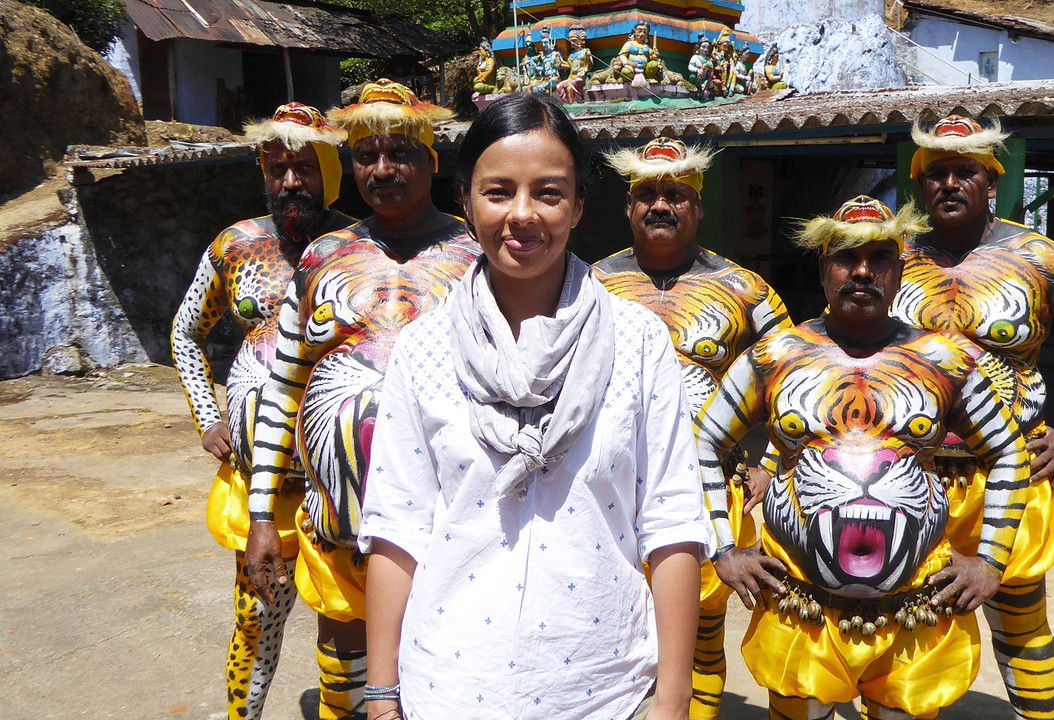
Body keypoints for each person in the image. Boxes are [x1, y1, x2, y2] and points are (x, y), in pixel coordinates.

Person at [357, 93, 707, 720]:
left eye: (548, 193)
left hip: (604, 689)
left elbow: (673, 522)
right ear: (465, 200)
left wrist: (673, 701)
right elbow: (396, 527)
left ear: (577, 206)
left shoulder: (637, 342)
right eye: (498, 192)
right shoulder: (424, 348)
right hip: (448, 686)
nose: (522, 215)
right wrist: (382, 698)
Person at [700, 196, 1031, 719]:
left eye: (879, 257)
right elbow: (703, 445)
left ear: (900, 269)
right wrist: (723, 548)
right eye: (845, 256)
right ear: (823, 267)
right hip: (799, 608)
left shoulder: (946, 359)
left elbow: (1009, 453)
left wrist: (990, 559)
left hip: (915, 613)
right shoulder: (772, 357)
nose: (862, 270)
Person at [895, 114, 1054, 719]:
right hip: (912, 473)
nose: (950, 184)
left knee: (1020, 612)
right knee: (904, 616)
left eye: (966, 172)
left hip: (1008, 472)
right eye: (937, 174)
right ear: (920, 185)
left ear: (991, 181)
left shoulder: (1038, 256)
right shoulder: (891, 258)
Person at [244, 79, 481, 720]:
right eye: (367, 155)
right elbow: (284, 387)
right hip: (337, 524)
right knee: (343, 669)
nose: (382, 169)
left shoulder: (476, 255)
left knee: (446, 664)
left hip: (450, 525)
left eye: (400, 152)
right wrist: (263, 514)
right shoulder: (324, 256)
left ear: (433, 161)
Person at [595, 136, 791, 720]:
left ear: (698, 207)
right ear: (628, 207)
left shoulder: (744, 289)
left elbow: (798, 374)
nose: (661, 205)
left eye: (675, 194)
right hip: (609, 492)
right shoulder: (587, 285)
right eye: (647, 194)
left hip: (705, 490)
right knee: (611, 621)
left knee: (701, 631)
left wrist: (771, 463)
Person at [171, 102, 352, 720]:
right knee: (255, 618)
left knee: (347, 622)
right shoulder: (235, 246)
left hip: (341, 486)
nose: (290, 182)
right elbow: (186, 332)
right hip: (262, 487)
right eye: (277, 168)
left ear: (330, 170)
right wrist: (208, 415)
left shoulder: (361, 249)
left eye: (304, 166)